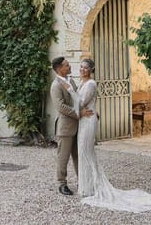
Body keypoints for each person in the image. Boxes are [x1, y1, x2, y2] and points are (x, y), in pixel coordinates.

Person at [61, 58, 151, 212]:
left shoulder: (91, 84)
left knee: (87, 152)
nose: (82, 69)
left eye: (85, 68)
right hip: (83, 120)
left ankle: (95, 186)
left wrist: (69, 90)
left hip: (88, 121)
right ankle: (86, 187)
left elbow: (81, 103)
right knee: (82, 153)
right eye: (81, 67)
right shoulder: (81, 83)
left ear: (91, 70)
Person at [50, 56, 92, 196]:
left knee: (77, 155)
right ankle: (62, 184)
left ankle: (83, 181)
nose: (70, 67)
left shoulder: (71, 81)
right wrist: (79, 113)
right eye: (67, 65)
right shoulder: (56, 85)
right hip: (65, 128)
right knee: (63, 157)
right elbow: (61, 106)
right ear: (59, 69)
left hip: (79, 126)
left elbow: (78, 99)